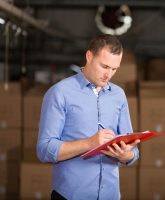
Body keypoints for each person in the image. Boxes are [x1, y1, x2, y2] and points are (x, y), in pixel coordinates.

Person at [36, 34, 140, 200]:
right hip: (70, 195)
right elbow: (44, 150)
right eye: (104, 66)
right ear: (89, 56)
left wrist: (125, 155)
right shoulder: (60, 93)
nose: (109, 75)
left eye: (114, 69)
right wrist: (89, 143)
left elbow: (132, 151)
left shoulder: (119, 95)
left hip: (110, 195)